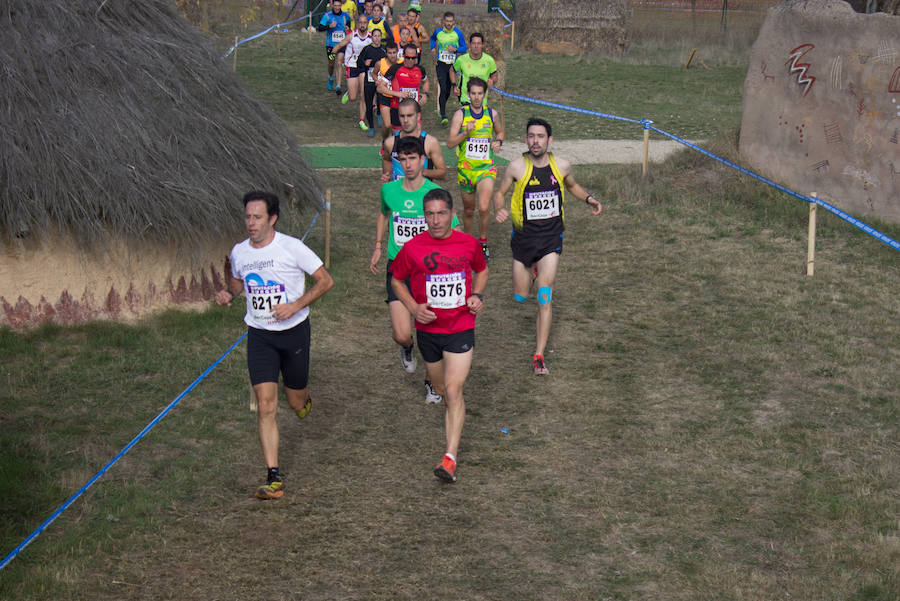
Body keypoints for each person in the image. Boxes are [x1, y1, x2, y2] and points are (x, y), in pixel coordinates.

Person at [216, 191, 334, 500]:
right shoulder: (240, 252)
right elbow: (239, 282)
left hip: (293, 332)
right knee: (266, 405)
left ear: (273, 219)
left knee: (295, 403)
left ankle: (303, 399)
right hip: (259, 336)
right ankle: (274, 476)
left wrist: (295, 305)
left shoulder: (291, 248)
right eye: (247, 217)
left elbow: (325, 281)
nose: (250, 223)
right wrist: (229, 294)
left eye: (257, 217)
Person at [389, 188, 488, 483]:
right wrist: (413, 307)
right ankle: (437, 392)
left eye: (441, 213)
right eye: (429, 214)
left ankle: (449, 458)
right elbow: (396, 280)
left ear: (452, 213)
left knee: (455, 391)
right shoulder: (413, 247)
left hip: (460, 327)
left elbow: (482, 271)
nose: (435, 220)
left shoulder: (468, 244)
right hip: (428, 331)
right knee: (442, 388)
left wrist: (477, 295)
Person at [493, 118, 602, 375]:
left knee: (545, 295)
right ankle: (531, 272)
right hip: (523, 239)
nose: (535, 141)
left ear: (549, 140)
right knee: (520, 296)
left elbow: (572, 186)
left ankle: (539, 354)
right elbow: (500, 193)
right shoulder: (516, 167)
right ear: (525, 139)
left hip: (551, 238)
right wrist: (499, 207)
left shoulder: (561, 166)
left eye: (540, 136)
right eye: (531, 136)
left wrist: (589, 199)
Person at [370, 136, 457, 404]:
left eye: (412, 159)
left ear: (423, 160)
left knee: (430, 331)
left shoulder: (433, 195)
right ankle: (407, 349)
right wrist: (377, 244)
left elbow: (454, 230)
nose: (408, 164)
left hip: (429, 271)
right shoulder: (390, 191)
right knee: (402, 333)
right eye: (403, 159)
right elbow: (385, 213)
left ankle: (432, 383)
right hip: (399, 269)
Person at [447, 77, 504, 261]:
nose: (477, 97)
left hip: (486, 168)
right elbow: (449, 143)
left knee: (484, 206)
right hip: (466, 170)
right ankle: (468, 242)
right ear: (468, 94)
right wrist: (465, 133)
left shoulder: (491, 114)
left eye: (480, 93)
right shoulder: (460, 115)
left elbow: (500, 132)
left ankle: (483, 242)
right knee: (469, 210)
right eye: (473, 94)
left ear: (485, 94)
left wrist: (498, 142)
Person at [381, 97, 447, 182]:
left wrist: (423, 172)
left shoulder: (430, 142)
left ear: (418, 116)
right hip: (399, 194)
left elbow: (443, 173)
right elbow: (387, 160)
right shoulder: (390, 143)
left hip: (422, 194)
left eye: (409, 115)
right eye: (402, 116)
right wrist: (387, 175)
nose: (405, 120)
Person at [377, 44, 430, 133]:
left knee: (417, 135)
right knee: (397, 138)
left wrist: (425, 94)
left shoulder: (420, 69)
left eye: (413, 58)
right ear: (403, 56)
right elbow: (380, 87)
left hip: (414, 108)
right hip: (397, 108)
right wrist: (398, 94)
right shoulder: (395, 68)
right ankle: (386, 143)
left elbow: (426, 81)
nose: (410, 60)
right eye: (408, 57)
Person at [333, 15, 372, 131]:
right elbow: (340, 45)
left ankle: (361, 120)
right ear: (357, 23)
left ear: (367, 24)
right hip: (352, 66)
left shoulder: (370, 37)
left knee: (364, 94)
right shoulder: (352, 36)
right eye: (360, 22)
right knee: (353, 97)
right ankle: (348, 93)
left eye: (365, 22)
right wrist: (331, 54)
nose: (362, 24)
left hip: (363, 68)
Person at [429, 12, 466, 126]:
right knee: (443, 88)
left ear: (453, 21)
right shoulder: (438, 32)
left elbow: (464, 47)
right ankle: (443, 115)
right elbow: (432, 39)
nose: (449, 23)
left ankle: (442, 106)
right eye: (447, 21)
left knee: (448, 90)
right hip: (441, 64)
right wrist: (432, 48)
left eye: (451, 21)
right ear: (443, 21)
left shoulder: (458, 33)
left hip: (452, 66)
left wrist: (455, 49)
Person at [451, 32, 498, 107]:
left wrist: (492, 80)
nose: (476, 46)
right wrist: (454, 85)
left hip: (482, 100)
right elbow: (452, 70)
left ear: (482, 45)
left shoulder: (489, 60)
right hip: (465, 99)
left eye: (479, 43)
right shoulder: (462, 59)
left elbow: (494, 75)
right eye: (474, 43)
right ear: (470, 44)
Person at [317, 0, 353, 93]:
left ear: (341, 5)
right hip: (331, 45)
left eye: (339, 6)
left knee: (339, 62)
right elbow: (320, 28)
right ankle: (331, 78)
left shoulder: (345, 15)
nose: (337, 8)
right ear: (332, 5)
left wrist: (348, 27)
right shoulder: (327, 16)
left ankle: (338, 86)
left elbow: (349, 22)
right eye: (335, 6)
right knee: (331, 63)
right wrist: (329, 26)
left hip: (342, 44)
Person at [358, 28, 387, 137]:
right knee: (369, 104)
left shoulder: (383, 50)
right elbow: (358, 62)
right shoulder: (366, 50)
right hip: (369, 80)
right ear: (372, 37)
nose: (377, 38)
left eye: (379, 36)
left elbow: (388, 63)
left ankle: (379, 113)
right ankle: (371, 127)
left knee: (381, 99)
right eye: (375, 36)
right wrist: (365, 63)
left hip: (380, 81)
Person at [374, 40, 400, 137]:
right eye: (390, 53)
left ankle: (394, 145)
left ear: (397, 52)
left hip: (396, 97)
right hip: (384, 96)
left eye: (394, 52)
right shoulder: (380, 63)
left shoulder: (401, 63)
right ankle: (385, 142)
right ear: (386, 53)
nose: (392, 55)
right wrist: (376, 80)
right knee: (387, 125)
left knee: (396, 126)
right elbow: (373, 73)